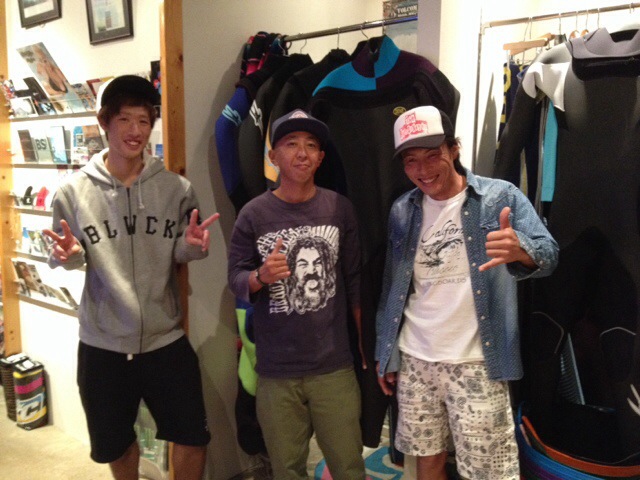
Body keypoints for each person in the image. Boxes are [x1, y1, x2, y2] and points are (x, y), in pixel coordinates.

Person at [43, 75, 219, 480]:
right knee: (117, 444)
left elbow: (180, 249)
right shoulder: (72, 193)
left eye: (143, 120)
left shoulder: (176, 189)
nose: (135, 130)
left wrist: (192, 247)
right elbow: (66, 254)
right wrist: (69, 256)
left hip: (165, 339)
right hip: (103, 344)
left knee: (193, 436)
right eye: (124, 119)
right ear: (105, 122)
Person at [375, 106, 559, 480]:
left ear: (454, 148)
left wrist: (521, 250)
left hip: (477, 361)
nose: (423, 170)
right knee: (426, 459)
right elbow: (393, 287)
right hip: (415, 358)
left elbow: (550, 254)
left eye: (432, 155)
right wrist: (385, 353)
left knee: (488, 471)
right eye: (411, 161)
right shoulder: (402, 210)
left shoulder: (499, 196)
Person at [227, 109, 366, 480]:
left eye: (311, 145)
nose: (302, 153)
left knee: (349, 466)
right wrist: (260, 276)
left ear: (320, 158)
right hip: (277, 371)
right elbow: (235, 279)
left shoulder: (339, 208)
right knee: (286, 470)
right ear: (273, 156)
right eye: (291, 144)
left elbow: (354, 281)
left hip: (333, 367)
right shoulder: (253, 214)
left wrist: (365, 344)